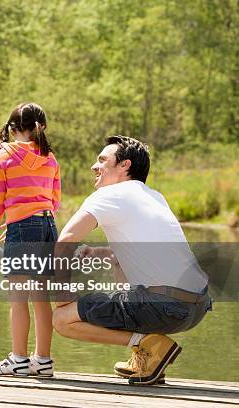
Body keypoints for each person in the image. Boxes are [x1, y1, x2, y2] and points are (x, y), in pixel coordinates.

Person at [52, 136, 212, 385]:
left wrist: (61, 292)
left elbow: (65, 241)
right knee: (120, 269)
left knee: (62, 319)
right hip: (196, 306)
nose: (95, 166)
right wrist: (101, 253)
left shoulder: (109, 194)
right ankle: (148, 357)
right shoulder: (155, 196)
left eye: (102, 160)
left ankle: (146, 344)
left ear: (124, 165)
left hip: (165, 306)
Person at [0, 102, 61, 376]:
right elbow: (54, 201)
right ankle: (43, 362)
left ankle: (19, 360)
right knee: (41, 297)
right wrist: (26, 221)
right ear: (41, 128)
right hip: (48, 225)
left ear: (12, 129)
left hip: (24, 228)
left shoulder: (3, 158)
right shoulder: (50, 159)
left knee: (17, 297)